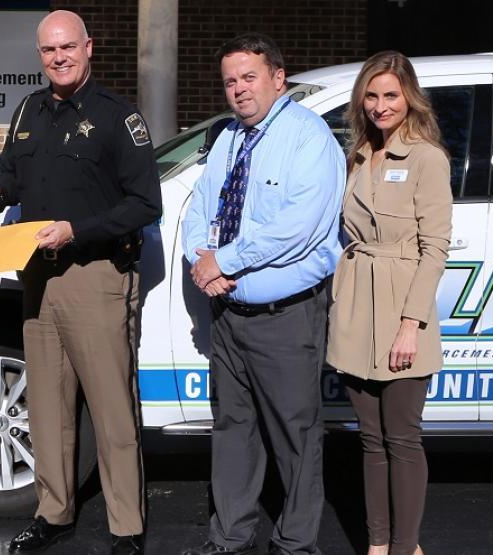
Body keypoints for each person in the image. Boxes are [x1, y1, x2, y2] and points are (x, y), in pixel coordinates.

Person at [0, 10, 161, 555]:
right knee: (48, 407)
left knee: (111, 407)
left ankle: (127, 527)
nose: (59, 58)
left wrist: (78, 230)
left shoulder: (118, 117)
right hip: (37, 276)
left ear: (88, 47)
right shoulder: (29, 109)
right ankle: (54, 512)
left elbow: (146, 204)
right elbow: (13, 174)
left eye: (68, 48)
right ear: (40, 54)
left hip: (95, 275)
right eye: (49, 50)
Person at [180, 33, 345, 555]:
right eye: (230, 81)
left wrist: (223, 260)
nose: (238, 90)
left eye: (249, 77)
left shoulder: (308, 136)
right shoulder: (229, 138)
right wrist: (200, 262)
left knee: (296, 434)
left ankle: (295, 542)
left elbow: (298, 226)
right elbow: (200, 207)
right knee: (232, 430)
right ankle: (229, 537)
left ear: (278, 78)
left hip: (285, 317)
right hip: (228, 312)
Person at [326, 51, 452, 555]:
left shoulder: (427, 158)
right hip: (358, 306)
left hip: (402, 307)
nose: (380, 106)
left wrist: (410, 325)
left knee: (402, 439)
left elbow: (434, 248)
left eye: (391, 95)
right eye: (372, 95)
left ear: (410, 99)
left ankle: (406, 547)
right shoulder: (358, 154)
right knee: (370, 440)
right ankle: (378, 545)